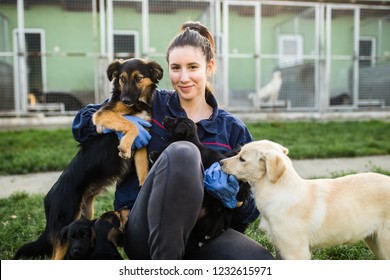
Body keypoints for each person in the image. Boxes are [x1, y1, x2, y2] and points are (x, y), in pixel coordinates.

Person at [72, 21, 273, 260]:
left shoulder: (232, 130)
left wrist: (235, 200)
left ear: (209, 67)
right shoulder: (147, 104)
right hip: (145, 230)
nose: (184, 77)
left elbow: (251, 209)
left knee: (259, 262)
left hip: (203, 235)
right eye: (176, 68)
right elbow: (81, 124)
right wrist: (117, 126)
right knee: (184, 153)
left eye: (192, 67)